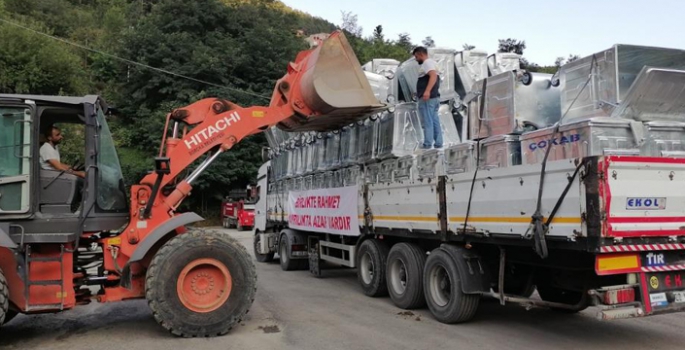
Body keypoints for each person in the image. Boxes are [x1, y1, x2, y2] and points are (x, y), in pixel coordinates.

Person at [412, 46, 443, 149]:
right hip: (434, 97)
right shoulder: (433, 63)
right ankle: (438, 143)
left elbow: (433, 76)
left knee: (427, 120)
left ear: (421, 54)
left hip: (428, 98)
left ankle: (427, 144)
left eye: (416, 57)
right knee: (434, 120)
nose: (416, 59)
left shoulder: (427, 63)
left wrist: (427, 91)